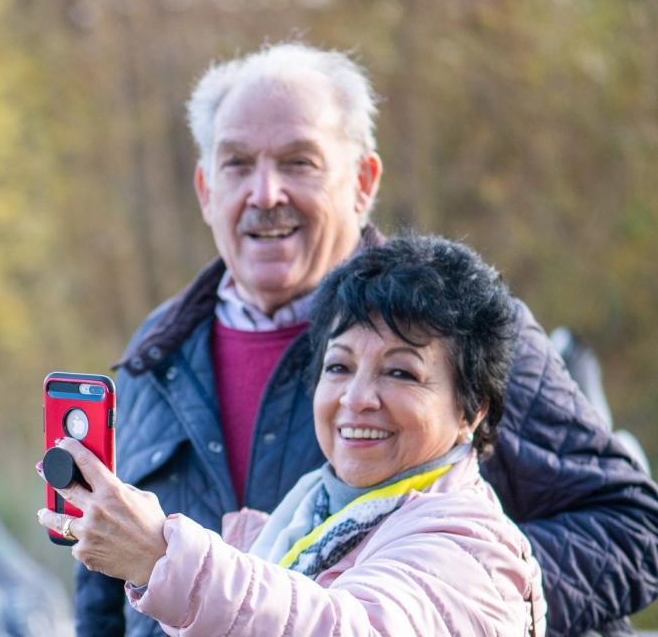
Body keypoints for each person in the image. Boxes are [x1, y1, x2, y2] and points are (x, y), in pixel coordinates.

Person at [63, 43, 658, 636]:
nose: (265, 193)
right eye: (237, 164)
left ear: (363, 182)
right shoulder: (154, 354)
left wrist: (446, 598)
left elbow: (631, 529)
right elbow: (102, 578)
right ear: (205, 190)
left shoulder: (461, 327)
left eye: (300, 162)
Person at [39, 234, 546, 634]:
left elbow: (347, 627)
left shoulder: (471, 545)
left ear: (471, 410)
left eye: (401, 373)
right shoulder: (313, 514)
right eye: (340, 367)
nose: (356, 398)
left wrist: (164, 559)